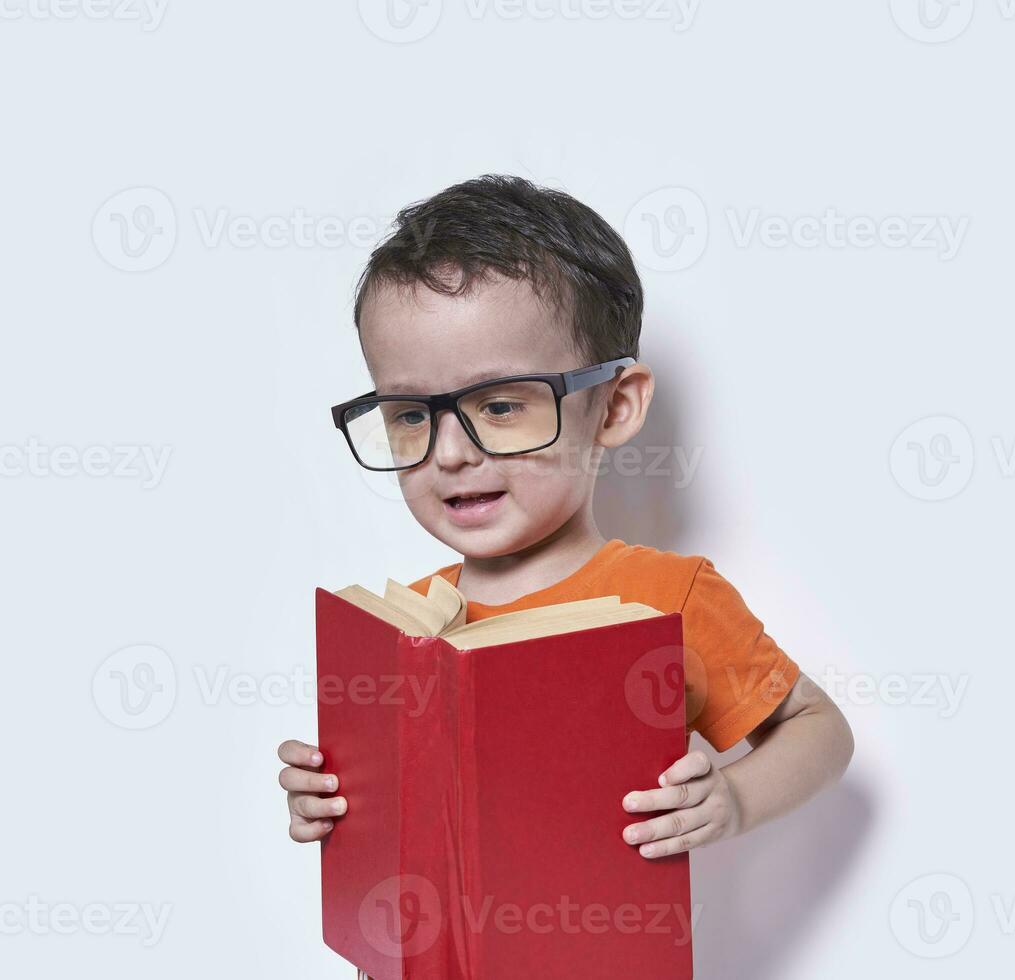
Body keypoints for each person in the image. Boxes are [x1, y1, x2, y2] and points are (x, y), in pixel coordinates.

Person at [276, 174, 853, 890]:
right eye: (411, 414)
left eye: (501, 406)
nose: (451, 452)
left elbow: (818, 729)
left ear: (612, 409)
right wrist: (333, 799)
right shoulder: (406, 625)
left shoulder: (667, 597)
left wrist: (734, 799)